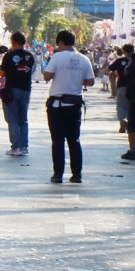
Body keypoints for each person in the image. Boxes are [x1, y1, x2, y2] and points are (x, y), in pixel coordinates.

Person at [42, 29, 94, 184]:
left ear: (61, 42)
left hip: (57, 105)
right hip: (74, 104)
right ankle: (77, 174)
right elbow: (90, 81)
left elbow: (46, 76)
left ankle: (58, 174)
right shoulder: (84, 58)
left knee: (57, 140)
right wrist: (76, 80)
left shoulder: (57, 57)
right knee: (74, 140)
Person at [0, 31, 36, 156]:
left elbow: (2, 73)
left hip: (12, 89)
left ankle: (15, 146)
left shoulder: (9, 56)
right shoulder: (30, 56)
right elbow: (32, 71)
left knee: (12, 119)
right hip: (26, 89)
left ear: (13, 41)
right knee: (23, 119)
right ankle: (24, 146)